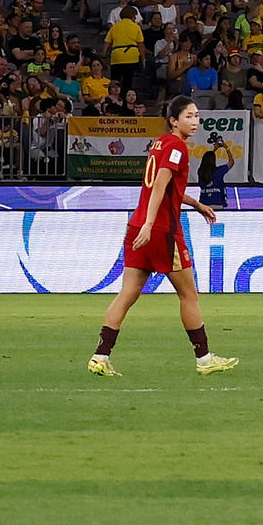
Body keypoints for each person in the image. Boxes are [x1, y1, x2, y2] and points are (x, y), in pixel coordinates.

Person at [88, 100, 235, 377]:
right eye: (188, 116)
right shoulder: (177, 146)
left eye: (197, 116)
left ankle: (100, 356)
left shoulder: (160, 143)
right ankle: (204, 359)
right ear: (173, 120)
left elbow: (166, 188)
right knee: (188, 295)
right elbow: (161, 183)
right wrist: (152, 224)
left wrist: (196, 203)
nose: (195, 121)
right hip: (161, 231)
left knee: (127, 294)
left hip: (138, 225)